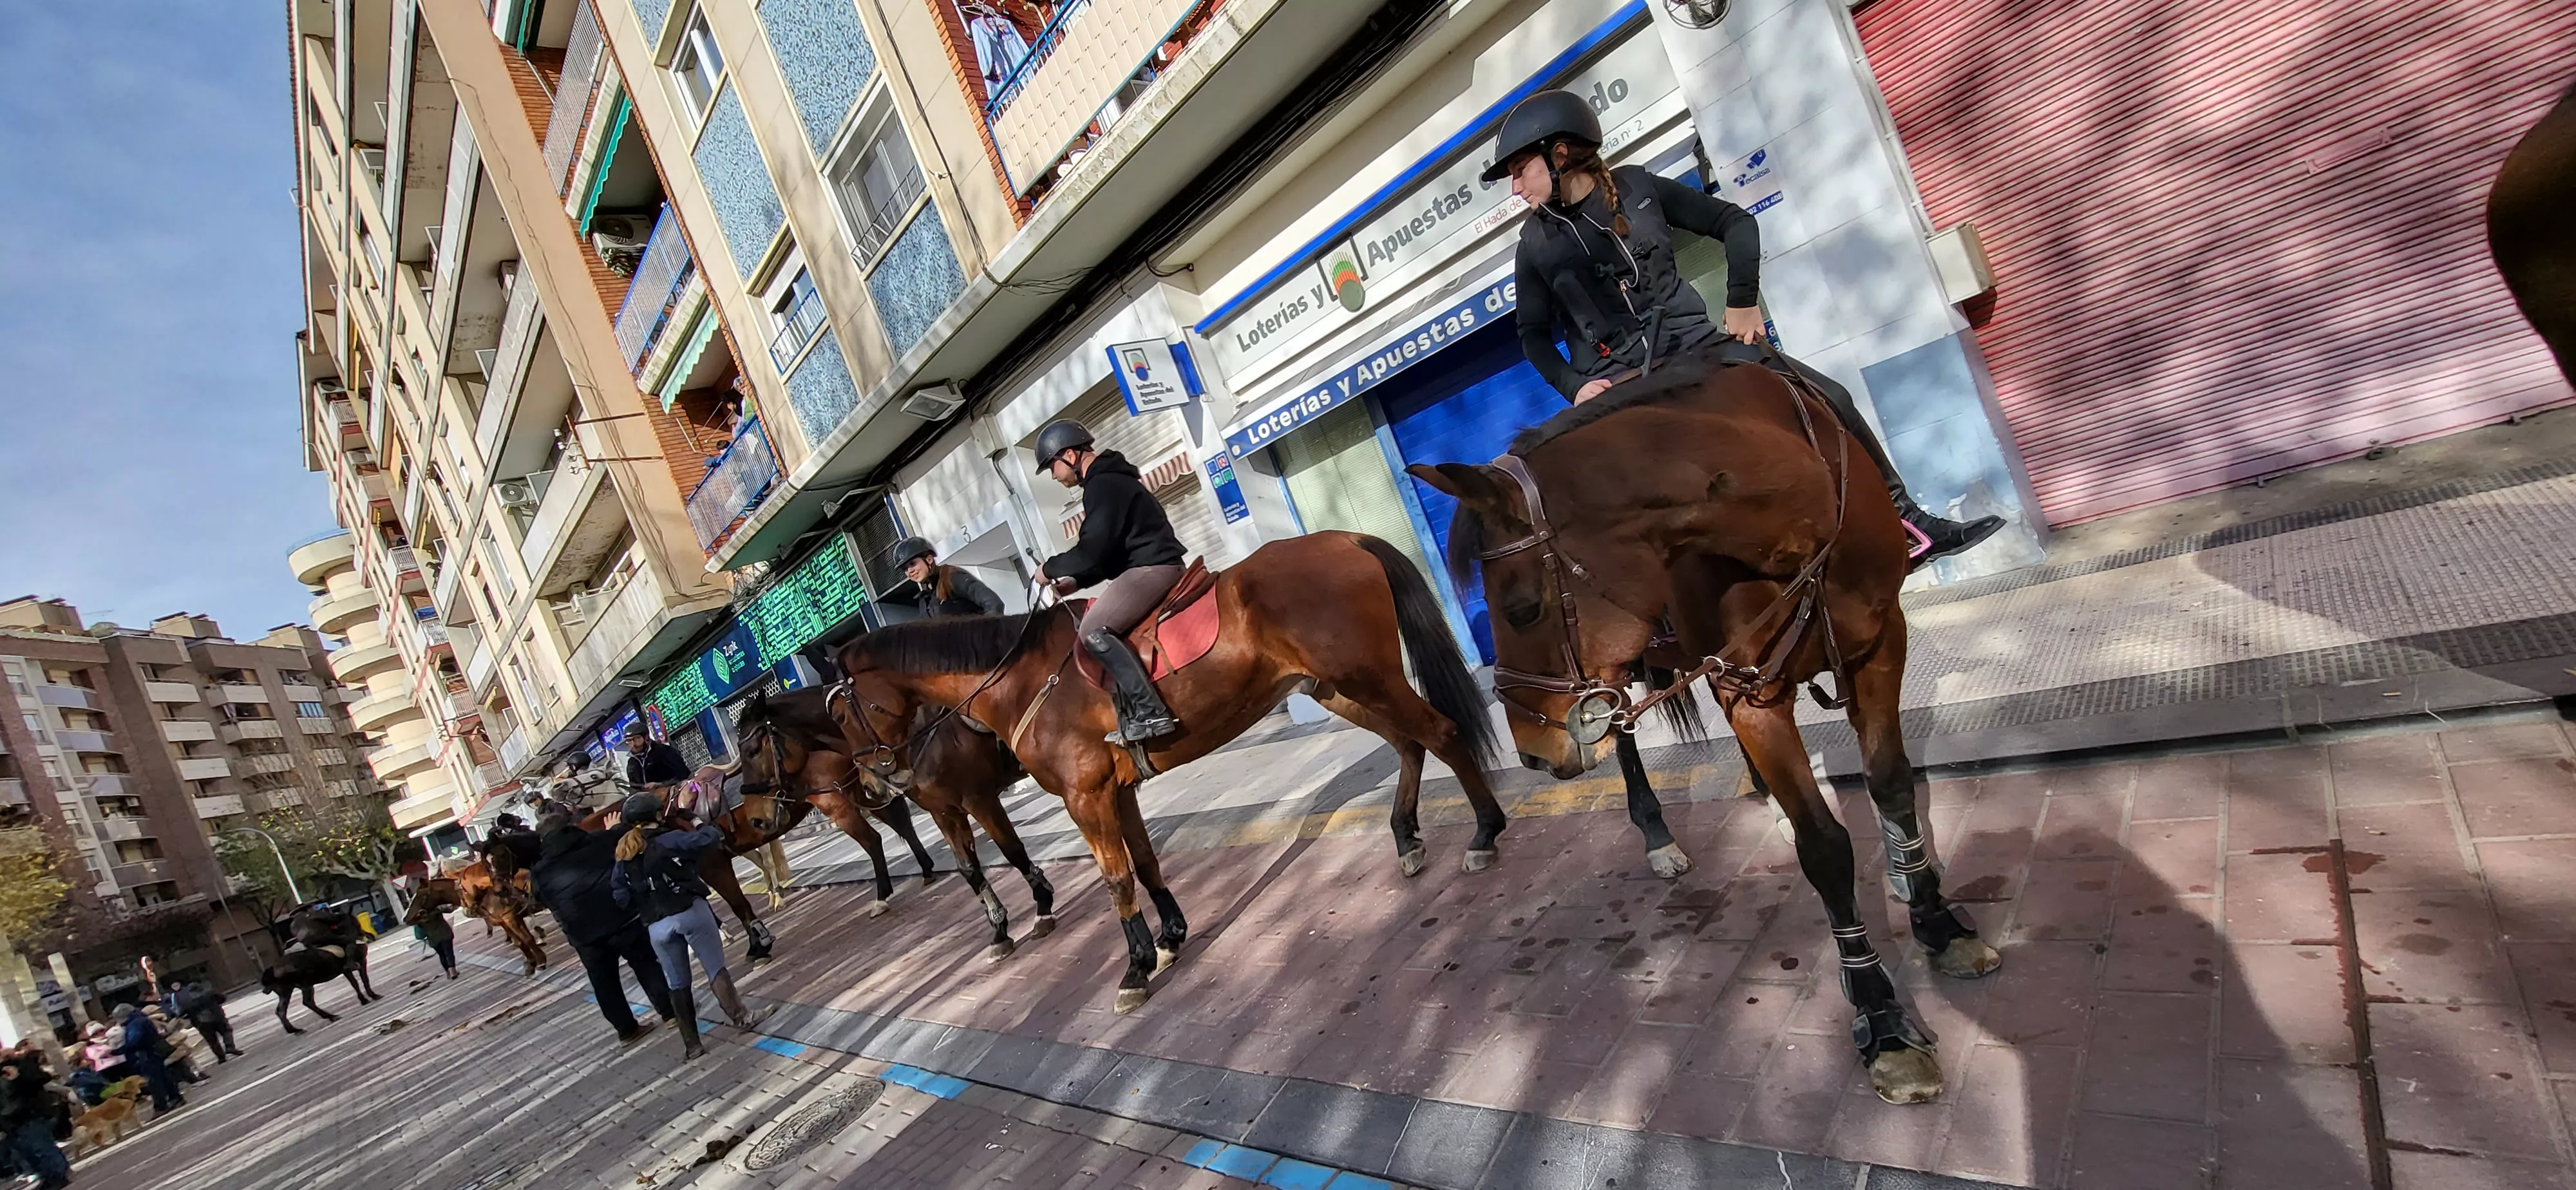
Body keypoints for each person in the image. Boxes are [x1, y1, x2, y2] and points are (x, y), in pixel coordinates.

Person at [1488, 90, 2005, 570]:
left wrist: (1741, 302)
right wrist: (1574, 385)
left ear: (1559, 154)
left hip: (1699, 349)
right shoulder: (1533, 245)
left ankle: (1906, 520)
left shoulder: (1639, 187)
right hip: (1616, 378)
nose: (1515, 188)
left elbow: (1736, 223)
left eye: (1520, 170)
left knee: (1831, 396)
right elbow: (1532, 334)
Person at [1032, 419, 1188, 744]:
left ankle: (1150, 712)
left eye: (1052, 467)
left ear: (1071, 455)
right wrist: (1075, 583)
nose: (1054, 476)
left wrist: (1049, 569)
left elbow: (1091, 550)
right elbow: (1109, 553)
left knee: (1092, 631)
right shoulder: (1108, 481)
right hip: (1145, 565)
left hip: (1152, 567)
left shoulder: (1103, 486)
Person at [609, 793, 769, 1061]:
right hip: (691, 912)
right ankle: (742, 1018)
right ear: (658, 816)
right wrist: (694, 819)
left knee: (677, 983)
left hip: (657, 927)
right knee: (715, 968)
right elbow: (709, 839)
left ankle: (693, 1045)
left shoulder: (623, 855)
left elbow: (620, 897)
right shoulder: (669, 840)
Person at [529, 810, 677, 1046]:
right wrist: (616, 828)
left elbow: (540, 897)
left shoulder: (539, 870)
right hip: (621, 919)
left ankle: (627, 1030)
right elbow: (625, 842)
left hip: (584, 935)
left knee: (604, 982)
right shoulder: (599, 840)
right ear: (571, 825)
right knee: (646, 964)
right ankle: (670, 1013)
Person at [0, 1039, 69, 1189]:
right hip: (10, 1122)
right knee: (29, 1153)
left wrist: (17, 1078)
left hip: (28, 1115)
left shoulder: (20, 1065)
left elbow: (40, 1079)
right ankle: (48, 1177)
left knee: (42, 1147)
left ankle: (57, 1176)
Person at [884, 536, 1005, 619]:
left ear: (929, 559)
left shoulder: (953, 577)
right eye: (905, 569)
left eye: (913, 564)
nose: (910, 571)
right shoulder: (925, 600)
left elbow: (994, 603)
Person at [107, 1004, 181, 1118]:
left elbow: (134, 1041)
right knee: (162, 1075)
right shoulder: (140, 1020)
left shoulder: (136, 1023)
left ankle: (161, 1106)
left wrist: (118, 1051)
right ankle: (175, 1097)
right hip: (152, 1052)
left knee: (153, 1080)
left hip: (146, 1054)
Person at [176, 981, 242, 1063]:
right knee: (226, 1031)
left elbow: (181, 1013)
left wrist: (190, 1015)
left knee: (212, 1040)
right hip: (217, 1017)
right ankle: (229, 1046)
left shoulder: (187, 1002)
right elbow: (222, 998)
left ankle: (221, 1057)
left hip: (201, 1023)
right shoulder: (209, 993)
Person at [620, 724, 692, 798]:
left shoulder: (663, 751)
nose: (633, 744)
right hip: (648, 801)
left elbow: (684, 774)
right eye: (629, 741)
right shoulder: (632, 763)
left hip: (672, 795)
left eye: (637, 739)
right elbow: (634, 788)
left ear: (646, 738)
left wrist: (660, 785)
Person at [404, 887, 460, 979]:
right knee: (449, 952)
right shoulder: (434, 907)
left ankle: (448, 972)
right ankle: (452, 970)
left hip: (432, 938)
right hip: (444, 933)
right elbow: (449, 908)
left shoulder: (415, 916)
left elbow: (408, 922)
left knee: (442, 954)